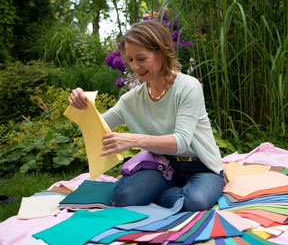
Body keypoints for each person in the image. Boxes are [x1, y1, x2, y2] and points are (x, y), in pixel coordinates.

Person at [68, 20, 224, 211]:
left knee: (195, 202)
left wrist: (133, 140)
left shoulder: (188, 87)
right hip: (164, 167)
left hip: (201, 167)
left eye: (141, 59)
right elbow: (98, 125)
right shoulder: (131, 100)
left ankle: (168, 192)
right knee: (123, 198)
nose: (135, 66)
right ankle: (170, 190)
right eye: (131, 60)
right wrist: (82, 104)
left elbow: (181, 142)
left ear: (162, 52)